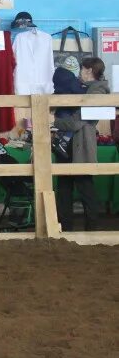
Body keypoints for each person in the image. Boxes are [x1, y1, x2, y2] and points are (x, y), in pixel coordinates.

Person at [53, 57, 109, 232]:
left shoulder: (98, 91)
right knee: (64, 187)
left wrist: (57, 123)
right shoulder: (85, 89)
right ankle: (65, 227)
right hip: (72, 143)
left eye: (82, 69)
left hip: (81, 143)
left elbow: (79, 121)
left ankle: (92, 228)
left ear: (89, 70)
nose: (79, 74)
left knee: (85, 186)